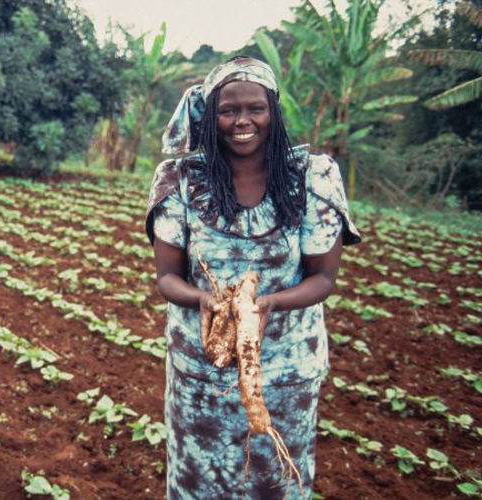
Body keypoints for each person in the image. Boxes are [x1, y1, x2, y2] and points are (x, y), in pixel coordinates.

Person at [145, 56, 361, 500]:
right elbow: (167, 276)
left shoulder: (313, 178)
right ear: (211, 117)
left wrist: (271, 304)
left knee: (276, 483)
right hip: (201, 373)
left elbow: (322, 279)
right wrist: (199, 298)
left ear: (273, 111)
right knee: (197, 483)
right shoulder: (180, 181)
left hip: (285, 372)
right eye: (228, 111)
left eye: (255, 109)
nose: (242, 121)